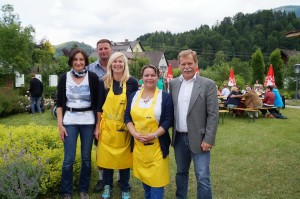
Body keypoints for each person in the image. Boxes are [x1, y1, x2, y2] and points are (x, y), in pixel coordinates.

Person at [169, 49, 219, 199]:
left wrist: (209, 139)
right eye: (183, 64)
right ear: (179, 65)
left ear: (196, 64)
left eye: (190, 63)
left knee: (202, 177)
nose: (187, 67)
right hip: (179, 139)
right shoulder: (173, 84)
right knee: (181, 173)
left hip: (200, 139)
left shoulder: (208, 84)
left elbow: (213, 114)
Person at [57, 48, 101, 199]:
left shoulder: (93, 77)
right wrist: (60, 125)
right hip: (69, 121)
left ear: (85, 62)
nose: (78, 62)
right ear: (71, 61)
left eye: (81, 59)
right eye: (75, 59)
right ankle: (66, 191)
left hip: (88, 122)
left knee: (86, 159)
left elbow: (98, 104)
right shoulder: (64, 78)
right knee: (68, 159)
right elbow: (59, 104)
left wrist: (97, 126)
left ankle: (83, 189)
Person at [124, 65, 174, 199]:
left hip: (157, 146)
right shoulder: (134, 96)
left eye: (153, 75)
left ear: (157, 77)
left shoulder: (165, 97)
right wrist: (134, 133)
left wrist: (154, 135)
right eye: (146, 75)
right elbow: (127, 116)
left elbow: (168, 120)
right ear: (142, 78)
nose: (149, 78)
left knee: (157, 182)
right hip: (139, 146)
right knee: (145, 181)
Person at [96, 52, 138, 199]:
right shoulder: (104, 81)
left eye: (121, 62)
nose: (118, 64)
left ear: (125, 64)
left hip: (124, 127)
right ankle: (107, 185)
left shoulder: (132, 82)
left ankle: (125, 186)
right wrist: (97, 128)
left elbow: (135, 106)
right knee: (107, 159)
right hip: (106, 127)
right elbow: (99, 107)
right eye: (115, 62)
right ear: (111, 64)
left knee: (124, 159)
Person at [88, 39, 113, 192]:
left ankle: (117, 178)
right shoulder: (90, 69)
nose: (103, 51)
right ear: (97, 51)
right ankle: (102, 178)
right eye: (100, 49)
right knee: (100, 146)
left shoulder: (118, 65)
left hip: (116, 115)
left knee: (119, 144)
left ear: (111, 49)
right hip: (96, 113)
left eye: (106, 48)